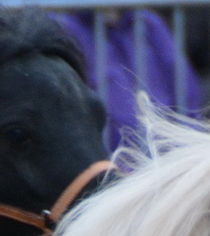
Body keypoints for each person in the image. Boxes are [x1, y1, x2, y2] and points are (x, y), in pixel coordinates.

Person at [53, 8, 201, 152]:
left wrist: (190, 150)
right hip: (108, 164)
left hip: (167, 156)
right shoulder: (65, 28)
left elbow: (187, 96)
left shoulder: (148, 23)